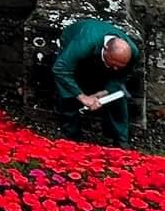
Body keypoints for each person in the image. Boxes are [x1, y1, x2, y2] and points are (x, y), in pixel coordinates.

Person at [50, 16, 140, 147]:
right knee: (68, 93)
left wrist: (106, 90)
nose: (116, 68)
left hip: (99, 58)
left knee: (117, 97)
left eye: (120, 65)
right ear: (105, 50)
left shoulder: (133, 53)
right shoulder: (83, 44)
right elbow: (60, 69)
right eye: (114, 64)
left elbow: (123, 75)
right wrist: (82, 97)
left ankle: (121, 141)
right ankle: (70, 136)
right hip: (75, 52)